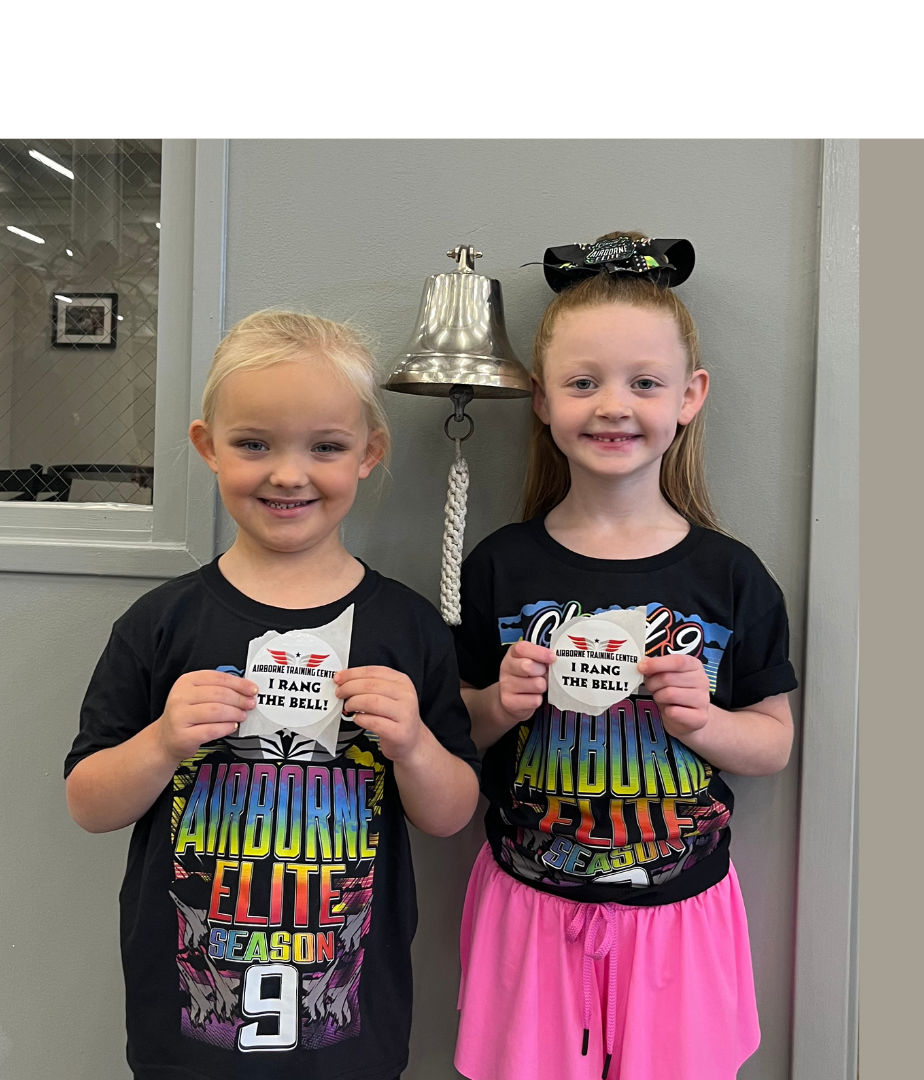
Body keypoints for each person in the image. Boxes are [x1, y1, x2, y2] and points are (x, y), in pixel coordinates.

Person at [65, 310, 481, 1080]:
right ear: (207, 447)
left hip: (348, 1022)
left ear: (369, 454)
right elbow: (88, 803)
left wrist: (415, 744)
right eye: (254, 444)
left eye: (325, 446)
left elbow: (452, 813)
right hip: (191, 1022)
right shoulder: (162, 623)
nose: (288, 474)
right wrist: (161, 742)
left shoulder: (406, 626)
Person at [451, 233, 797, 1080]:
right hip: (529, 904)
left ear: (690, 396)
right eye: (583, 382)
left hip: (682, 912)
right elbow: (456, 725)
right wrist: (502, 702)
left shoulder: (730, 573)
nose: (614, 405)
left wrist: (705, 721)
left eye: (645, 382)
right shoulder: (500, 564)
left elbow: (775, 743)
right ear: (542, 400)